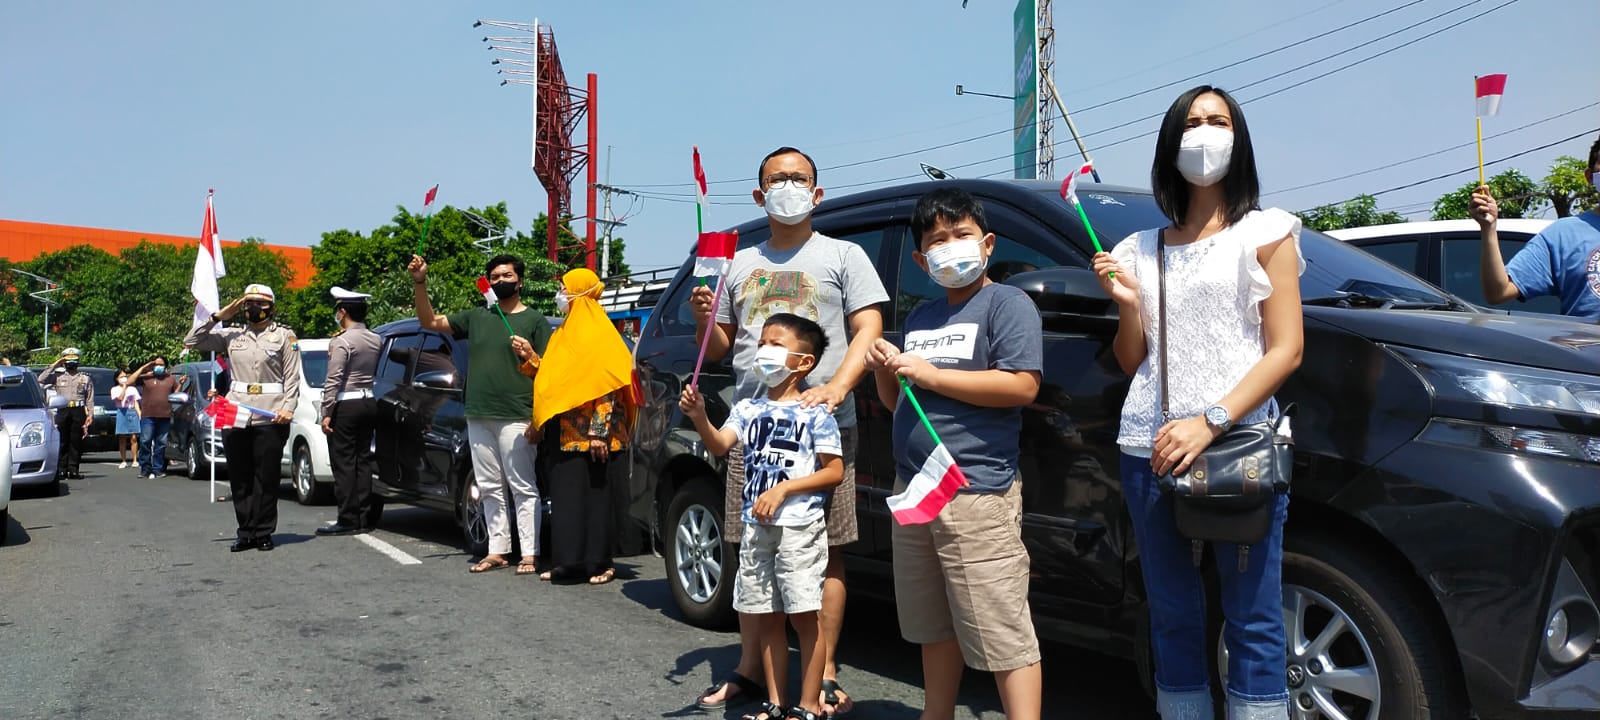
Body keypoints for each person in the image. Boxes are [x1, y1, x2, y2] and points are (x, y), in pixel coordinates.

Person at [1093, 85, 1304, 719]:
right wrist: (1129, 307)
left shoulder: (1268, 231)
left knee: (1254, 618)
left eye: (1218, 121)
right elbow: (1132, 359)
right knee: (1172, 612)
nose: (1205, 134)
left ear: (1238, 138)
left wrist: (1208, 422)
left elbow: (1286, 350)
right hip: (1148, 446)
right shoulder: (1138, 248)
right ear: (1168, 144)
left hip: (1237, 447)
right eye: (1191, 124)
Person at [691, 146, 887, 716]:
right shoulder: (737, 264)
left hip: (823, 429)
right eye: (777, 179)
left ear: (817, 193)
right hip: (751, 431)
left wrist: (841, 386)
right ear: (759, 195)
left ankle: (822, 673)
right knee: (753, 550)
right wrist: (707, 318)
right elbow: (725, 346)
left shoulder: (844, 256)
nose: (788, 185)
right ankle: (752, 670)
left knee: (827, 553)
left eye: (799, 178)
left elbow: (868, 325)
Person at [864, 188, 1044, 720]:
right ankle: (934, 713)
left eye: (961, 235)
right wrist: (885, 368)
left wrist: (934, 374)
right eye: (937, 240)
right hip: (915, 487)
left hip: (973, 488)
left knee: (1001, 627)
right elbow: (899, 401)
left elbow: (1021, 386)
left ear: (986, 243)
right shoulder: (920, 318)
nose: (951, 247)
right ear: (921, 260)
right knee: (932, 622)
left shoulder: (1007, 303)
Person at [680, 313, 843, 720]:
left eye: (775, 344)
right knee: (766, 615)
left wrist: (785, 488)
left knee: (805, 616)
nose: (764, 351)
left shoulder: (816, 411)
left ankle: (807, 706)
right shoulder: (748, 407)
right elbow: (720, 445)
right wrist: (700, 416)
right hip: (758, 528)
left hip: (798, 528)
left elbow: (833, 470)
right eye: (762, 343)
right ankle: (775, 701)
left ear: (803, 362)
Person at [408, 252, 553, 574]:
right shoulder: (477, 316)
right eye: (496, 277)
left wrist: (538, 416)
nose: (501, 281)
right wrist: (420, 283)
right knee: (489, 485)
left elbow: (551, 373)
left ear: (521, 282)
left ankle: (529, 553)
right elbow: (429, 322)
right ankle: (497, 549)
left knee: (523, 486)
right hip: (478, 413)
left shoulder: (536, 322)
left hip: (518, 415)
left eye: (507, 276)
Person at [513, 268, 635, 585]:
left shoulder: (600, 334)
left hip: (598, 437)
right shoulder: (563, 334)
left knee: (598, 502)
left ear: (580, 293)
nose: (561, 296)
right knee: (567, 502)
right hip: (566, 436)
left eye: (565, 290)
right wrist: (532, 359)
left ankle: (601, 563)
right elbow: (557, 381)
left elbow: (607, 386)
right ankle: (569, 563)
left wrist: (598, 432)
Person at [186, 284, 302, 552]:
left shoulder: (285, 336)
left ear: (270, 308)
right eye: (247, 303)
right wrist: (217, 317)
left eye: (258, 304)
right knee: (240, 475)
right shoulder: (231, 335)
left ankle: (263, 531)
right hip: (234, 410)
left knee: (266, 475)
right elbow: (192, 341)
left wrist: (289, 407)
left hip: (270, 412)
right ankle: (245, 531)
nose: (252, 309)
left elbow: (292, 376)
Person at [1471, 134, 1600, 318]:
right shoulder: (1562, 235)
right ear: (1590, 176)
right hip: (1583, 346)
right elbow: (1498, 292)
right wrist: (1488, 228)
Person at [316, 287, 382, 536]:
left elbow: (334, 379)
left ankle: (347, 518)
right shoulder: (376, 338)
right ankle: (363, 517)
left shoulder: (341, 341)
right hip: (368, 401)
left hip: (346, 404)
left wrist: (327, 411)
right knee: (362, 461)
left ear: (342, 312)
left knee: (343, 463)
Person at [40, 347, 93, 480]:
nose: (71, 364)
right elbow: (41, 379)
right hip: (62, 410)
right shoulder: (58, 376)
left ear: (78, 362)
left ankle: (73, 469)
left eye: (74, 361)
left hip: (78, 410)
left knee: (76, 441)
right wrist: (55, 364)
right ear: (64, 363)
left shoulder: (85, 378)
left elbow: (90, 398)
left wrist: (90, 415)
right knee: (62, 440)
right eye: (68, 361)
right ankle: (62, 469)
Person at [127, 355, 179, 479]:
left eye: (161, 365)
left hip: (164, 415)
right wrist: (144, 367)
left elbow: (176, 393)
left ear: (165, 366)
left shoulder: (170, 379)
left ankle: (158, 469)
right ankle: (145, 468)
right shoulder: (146, 378)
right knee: (145, 441)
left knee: (160, 443)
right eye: (156, 364)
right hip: (148, 415)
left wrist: (181, 383)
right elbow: (129, 381)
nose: (158, 367)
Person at [111, 368, 142, 469]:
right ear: (116, 379)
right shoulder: (114, 389)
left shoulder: (133, 389)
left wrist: (139, 413)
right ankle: (123, 460)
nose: (124, 378)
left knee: (133, 437)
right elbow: (119, 398)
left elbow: (136, 402)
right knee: (122, 438)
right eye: (121, 377)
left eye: (125, 376)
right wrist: (124, 387)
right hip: (121, 412)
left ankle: (134, 460)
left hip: (131, 411)